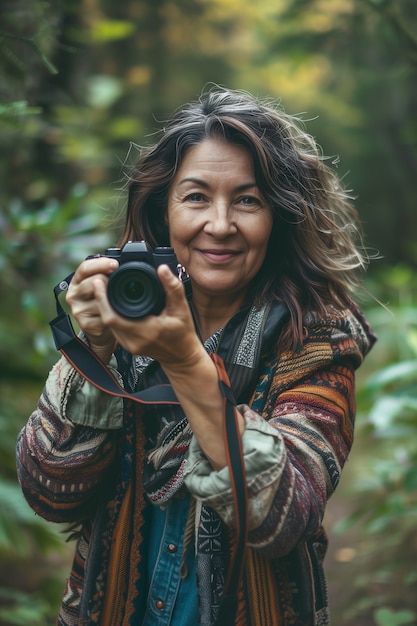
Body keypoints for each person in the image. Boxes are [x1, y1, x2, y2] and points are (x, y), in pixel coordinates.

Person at [16, 87, 376, 626]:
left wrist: (186, 364)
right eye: (197, 197)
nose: (221, 224)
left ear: (278, 215)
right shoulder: (122, 317)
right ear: (164, 208)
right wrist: (92, 351)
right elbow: (50, 494)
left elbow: (284, 516)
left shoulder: (318, 342)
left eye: (248, 200)